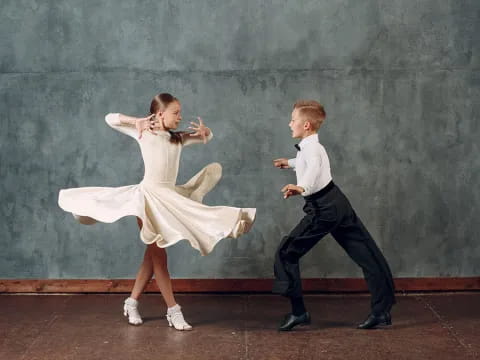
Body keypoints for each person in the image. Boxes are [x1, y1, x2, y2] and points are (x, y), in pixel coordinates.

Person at [58, 93, 256, 331]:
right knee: (159, 255)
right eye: (176, 112)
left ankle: (131, 302)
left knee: (151, 256)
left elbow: (208, 136)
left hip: (169, 199)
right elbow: (110, 118)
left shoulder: (178, 139)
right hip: (148, 199)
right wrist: (136, 121)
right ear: (160, 114)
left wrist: (206, 131)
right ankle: (173, 310)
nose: (180, 117)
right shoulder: (144, 131)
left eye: (180, 112)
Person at [272, 100, 395, 331]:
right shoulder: (311, 147)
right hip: (337, 203)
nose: (290, 124)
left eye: (293, 120)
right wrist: (289, 163)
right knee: (368, 255)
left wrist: (302, 188)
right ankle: (381, 311)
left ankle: (299, 313)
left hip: (324, 210)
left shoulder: (313, 150)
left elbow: (313, 169)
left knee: (286, 253)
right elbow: (307, 162)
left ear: (306, 125)